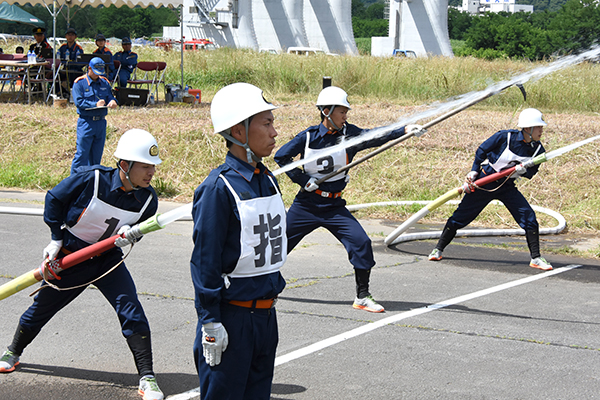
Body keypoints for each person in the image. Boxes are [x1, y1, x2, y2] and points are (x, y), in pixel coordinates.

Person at [0, 129, 165, 400]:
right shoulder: (93, 178)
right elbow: (53, 198)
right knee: (41, 309)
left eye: (153, 167)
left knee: (132, 311)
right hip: (71, 258)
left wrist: (130, 234)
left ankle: (147, 377)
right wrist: (55, 238)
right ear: (125, 165)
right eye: (145, 166)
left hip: (107, 261)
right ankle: (12, 352)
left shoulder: (149, 199)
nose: (151, 173)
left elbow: (139, 227)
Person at [274, 86, 424, 313]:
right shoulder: (307, 137)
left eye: (346, 112)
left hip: (334, 206)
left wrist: (404, 130)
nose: (346, 116)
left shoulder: (349, 135)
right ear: (326, 111)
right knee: (276, 246)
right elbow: (281, 156)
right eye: (342, 111)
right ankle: (257, 284)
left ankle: (362, 296)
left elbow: (376, 135)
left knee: (361, 243)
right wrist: (302, 180)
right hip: (307, 204)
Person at [191, 82, 287, 399]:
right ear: (240, 131)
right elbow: (205, 261)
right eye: (267, 123)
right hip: (231, 321)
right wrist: (210, 322)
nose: (275, 132)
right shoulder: (217, 189)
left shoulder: (267, 180)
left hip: (265, 317)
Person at [427, 108, 553, 271]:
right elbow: (482, 150)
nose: (541, 130)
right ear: (527, 129)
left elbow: (531, 173)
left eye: (541, 127)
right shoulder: (505, 137)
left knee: (529, 217)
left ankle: (536, 258)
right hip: (484, 182)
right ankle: (438, 249)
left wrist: (524, 170)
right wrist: (474, 170)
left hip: (507, 187)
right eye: (538, 127)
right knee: (460, 217)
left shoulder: (538, 151)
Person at [70, 57, 118, 174]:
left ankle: (92, 181)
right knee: (82, 155)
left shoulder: (104, 82)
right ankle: (73, 181)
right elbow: (79, 102)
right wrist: (94, 104)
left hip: (100, 122)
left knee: (96, 157)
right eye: (96, 73)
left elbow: (109, 96)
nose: (97, 75)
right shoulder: (79, 83)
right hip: (86, 122)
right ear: (89, 68)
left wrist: (113, 101)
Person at [59, 27, 85, 92]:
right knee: (54, 75)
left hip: (75, 70)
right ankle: (61, 92)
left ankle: (73, 93)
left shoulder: (78, 48)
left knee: (73, 74)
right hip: (64, 69)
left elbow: (81, 63)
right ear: (66, 36)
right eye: (68, 35)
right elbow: (58, 59)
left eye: (72, 35)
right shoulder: (62, 47)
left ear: (75, 37)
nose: (70, 37)